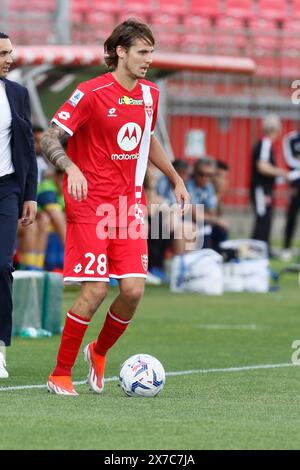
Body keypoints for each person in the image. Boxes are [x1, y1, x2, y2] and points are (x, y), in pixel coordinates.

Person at [41, 19, 189, 396]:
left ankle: (99, 351)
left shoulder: (150, 95)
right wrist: (70, 166)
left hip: (128, 207)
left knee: (134, 291)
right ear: (120, 51)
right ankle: (59, 374)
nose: (148, 60)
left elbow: (147, 138)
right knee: (94, 292)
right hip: (90, 204)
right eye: (142, 52)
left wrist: (174, 178)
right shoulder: (90, 93)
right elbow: (50, 137)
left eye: (151, 52)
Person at [0, 33, 37, 378]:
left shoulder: (17, 94)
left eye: (10, 53)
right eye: (2, 54)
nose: (9, 59)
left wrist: (30, 193)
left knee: (1, 266)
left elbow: (27, 147)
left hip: (7, 189)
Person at [250, 114, 288, 252]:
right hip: (261, 188)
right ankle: (257, 249)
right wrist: (282, 172)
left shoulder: (265, 143)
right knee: (262, 219)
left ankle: (263, 248)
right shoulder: (265, 142)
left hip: (265, 189)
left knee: (266, 218)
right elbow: (262, 166)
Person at [187, 157, 228, 250]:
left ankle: (218, 257)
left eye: (209, 175)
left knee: (221, 230)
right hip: (183, 219)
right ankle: (203, 257)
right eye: (201, 174)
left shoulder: (209, 187)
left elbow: (212, 212)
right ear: (195, 172)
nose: (205, 178)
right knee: (204, 224)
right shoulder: (188, 184)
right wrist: (215, 220)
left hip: (200, 219)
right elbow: (193, 214)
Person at [281, 126, 300, 261]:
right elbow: (289, 159)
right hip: (296, 184)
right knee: (291, 217)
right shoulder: (291, 138)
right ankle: (286, 247)